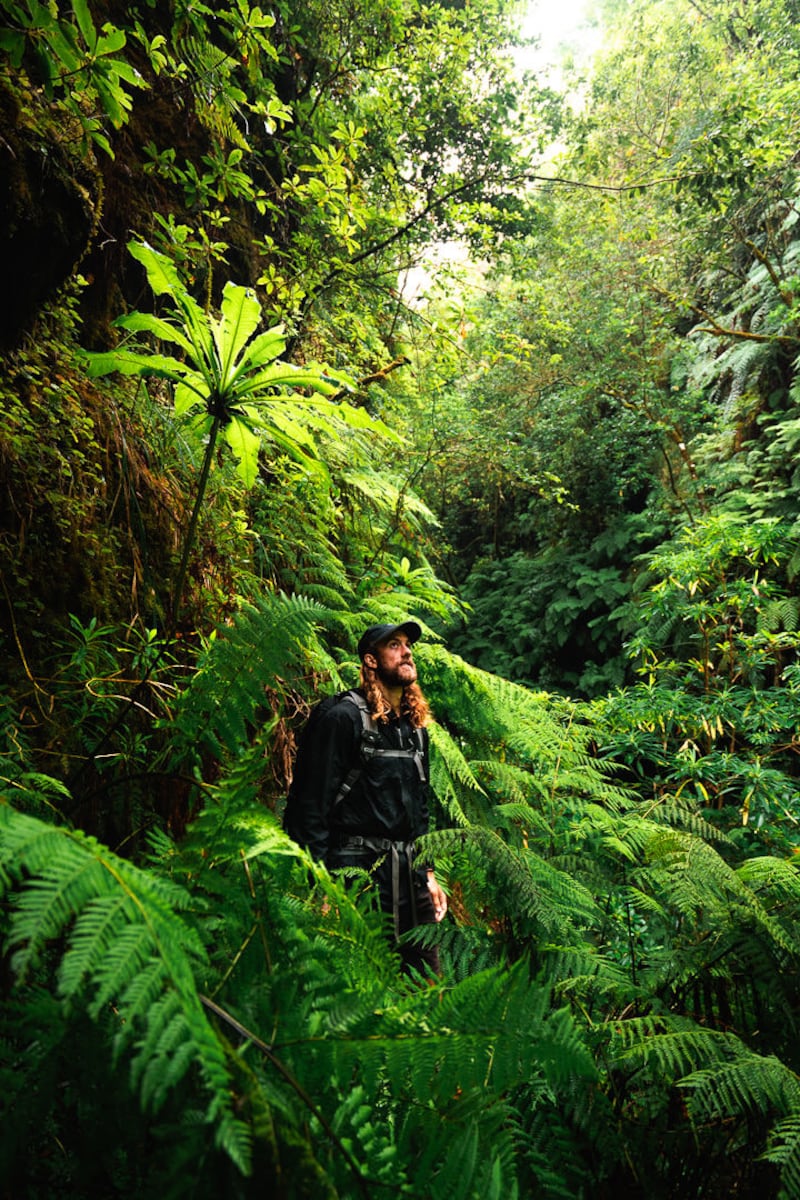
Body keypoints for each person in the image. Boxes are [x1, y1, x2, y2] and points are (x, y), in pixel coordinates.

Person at [285, 620, 447, 978]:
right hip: (355, 878)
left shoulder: (415, 729)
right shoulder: (341, 717)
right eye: (395, 645)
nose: (407, 652)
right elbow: (307, 807)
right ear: (371, 661)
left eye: (408, 645)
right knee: (359, 984)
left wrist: (429, 874)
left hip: (410, 878)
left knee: (425, 988)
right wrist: (321, 884)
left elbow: (421, 809)